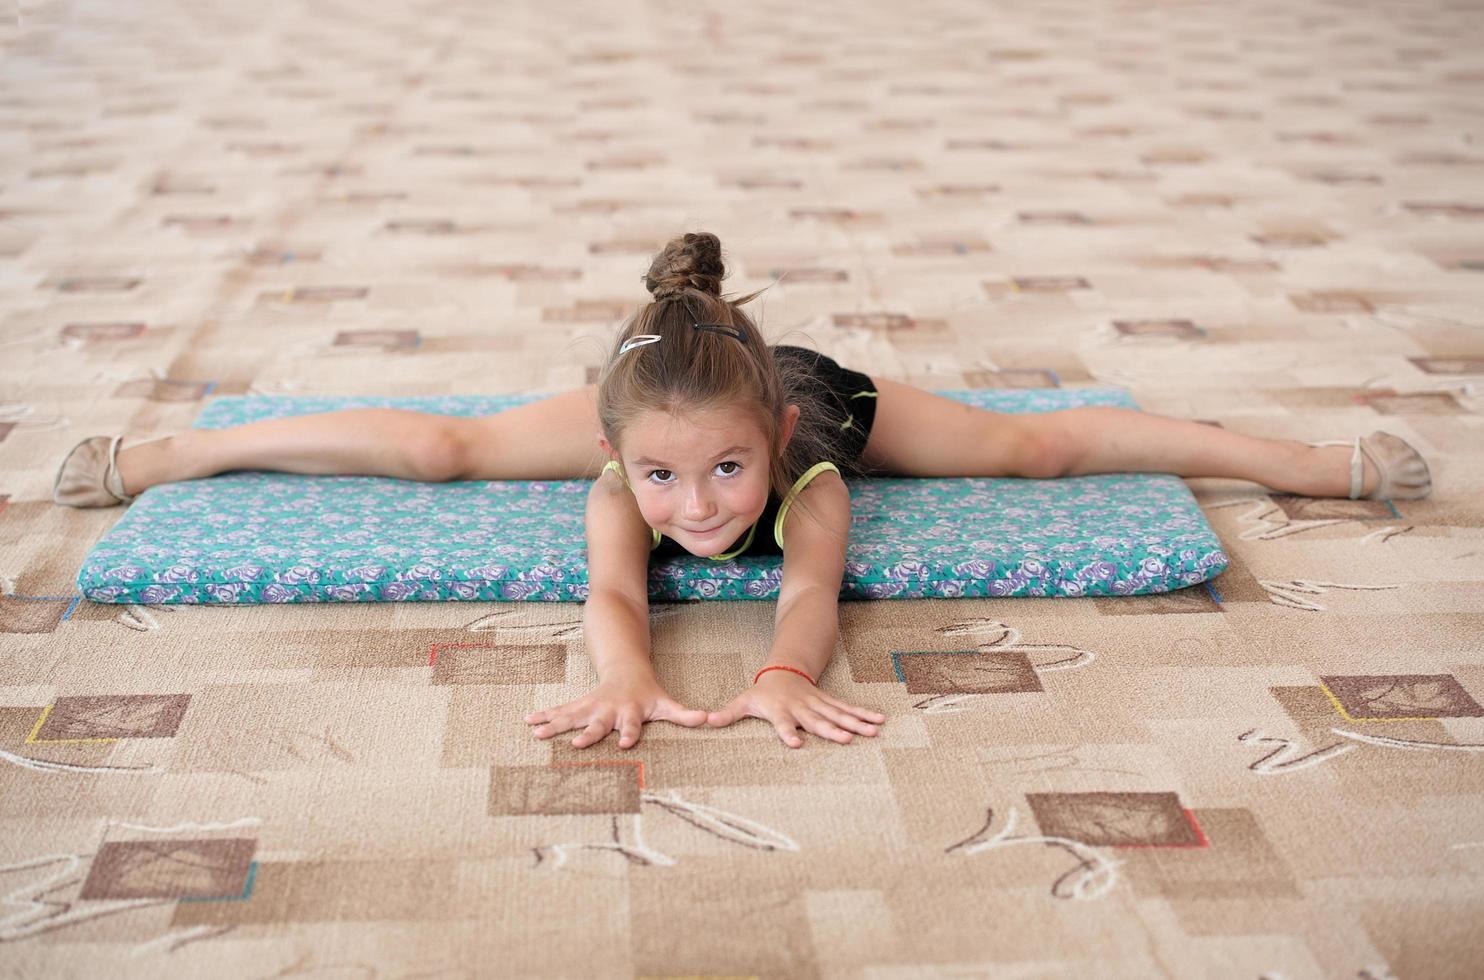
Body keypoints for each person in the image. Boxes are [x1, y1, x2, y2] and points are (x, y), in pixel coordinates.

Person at [53, 231, 1433, 750]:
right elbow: (610, 589)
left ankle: (1304, 461)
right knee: (438, 448)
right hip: (660, 388)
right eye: (663, 478)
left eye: (726, 471)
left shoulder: (812, 461)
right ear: (620, 452)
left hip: (829, 386)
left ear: (772, 442)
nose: (701, 508)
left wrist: (780, 673)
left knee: (1044, 448)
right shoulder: (629, 469)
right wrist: (624, 677)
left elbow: (809, 590)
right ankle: (175, 453)